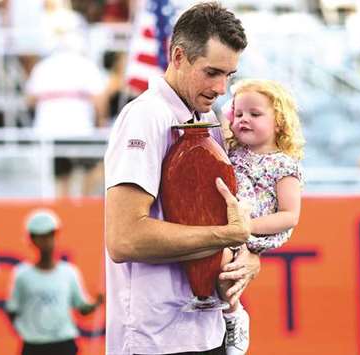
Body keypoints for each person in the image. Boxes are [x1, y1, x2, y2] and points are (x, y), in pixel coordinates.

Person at [104, 2, 260, 354]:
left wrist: (245, 254)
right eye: (212, 72)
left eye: (230, 75)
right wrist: (227, 235)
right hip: (155, 340)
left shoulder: (209, 118)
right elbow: (124, 239)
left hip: (206, 331)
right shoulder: (146, 116)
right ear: (178, 56)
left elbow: (224, 226)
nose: (222, 87)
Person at [219, 79, 305, 354]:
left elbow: (289, 215)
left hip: (257, 228)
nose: (244, 120)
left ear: (279, 121)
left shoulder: (283, 164)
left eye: (255, 114)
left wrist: (246, 227)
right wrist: (229, 110)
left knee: (226, 266)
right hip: (231, 224)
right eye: (239, 114)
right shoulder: (233, 149)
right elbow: (221, 118)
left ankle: (234, 315)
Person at [6, 209, 104, 355]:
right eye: (41, 237)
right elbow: (12, 310)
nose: (47, 241)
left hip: (64, 344)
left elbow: (81, 308)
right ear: (32, 240)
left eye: (50, 235)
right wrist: (29, 332)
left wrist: (96, 303)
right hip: (34, 346)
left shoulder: (69, 272)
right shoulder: (22, 275)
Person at [25, 30, 107, 197]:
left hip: (49, 130)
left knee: (61, 176)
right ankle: (83, 201)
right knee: (95, 167)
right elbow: (99, 99)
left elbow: (30, 99)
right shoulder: (86, 65)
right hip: (81, 129)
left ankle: (65, 205)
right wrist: (100, 123)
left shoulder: (43, 67)